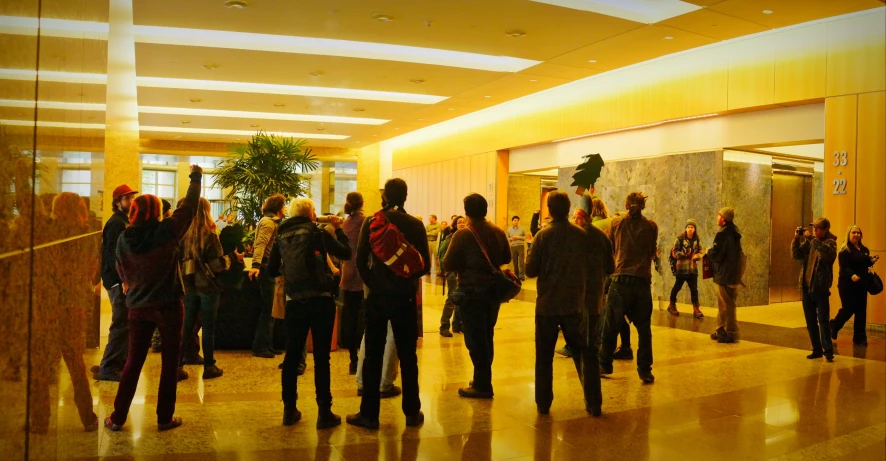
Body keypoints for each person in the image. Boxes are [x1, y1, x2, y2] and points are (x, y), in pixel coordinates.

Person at [105, 165, 203, 432]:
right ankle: (164, 418)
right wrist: (195, 178)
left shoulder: (124, 238)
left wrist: (130, 286)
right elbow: (190, 207)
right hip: (169, 305)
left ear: (133, 212)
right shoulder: (167, 231)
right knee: (170, 363)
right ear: (158, 213)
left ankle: (117, 418)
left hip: (137, 306)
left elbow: (120, 268)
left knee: (132, 362)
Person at [347, 178, 430, 429]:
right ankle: (412, 413)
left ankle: (369, 415)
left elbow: (360, 261)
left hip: (377, 299)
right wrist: (405, 282)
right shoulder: (416, 224)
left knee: (373, 353)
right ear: (405, 197)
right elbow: (423, 264)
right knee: (408, 355)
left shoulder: (373, 222)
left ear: (384, 197)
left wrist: (376, 285)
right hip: (404, 297)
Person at [265, 197, 351, 428]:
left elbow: (271, 269)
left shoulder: (281, 236)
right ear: (311, 213)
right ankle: (324, 412)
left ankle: (289, 410)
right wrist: (340, 230)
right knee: (322, 357)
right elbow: (346, 252)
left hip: (294, 302)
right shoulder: (318, 233)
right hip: (321, 301)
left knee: (292, 356)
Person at [525, 191, 598, 416]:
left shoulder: (542, 236)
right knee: (583, 353)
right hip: (574, 302)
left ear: (549, 209)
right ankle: (594, 402)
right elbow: (592, 267)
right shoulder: (582, 235)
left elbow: (530, 270)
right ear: (568, 209)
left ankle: (543, 403)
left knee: (544, 356)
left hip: (547, 303)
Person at [443, 194, 511, 399]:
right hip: (493, 293)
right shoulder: (498, 231)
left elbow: (448, 264)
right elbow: (506, 257)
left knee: (475, 339)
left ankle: (482, 385)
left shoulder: (463, 234)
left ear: (467, 211)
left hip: (472, 292)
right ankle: (482, 378)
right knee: (487, 335)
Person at [179, 197, 242, 380]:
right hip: (207, 286)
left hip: (189, 285)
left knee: (187, 326)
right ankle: (209, 366)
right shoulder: (209, 235)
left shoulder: (183, 234)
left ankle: (178, 364)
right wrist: (231, 257)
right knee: (208, 327)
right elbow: (217, 265)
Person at [599, 192, 658, 384]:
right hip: (642, 282)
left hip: (620, 281)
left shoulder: (616, 223)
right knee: (644, 329)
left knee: (610, 327)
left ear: (626, 204)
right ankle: (644, 370)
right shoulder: (651, 227)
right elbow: (651, 252)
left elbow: (610, 250)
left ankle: (605, 364)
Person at [571, 201, 614, 415]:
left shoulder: (573, 237)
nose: (575, 220)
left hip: (577, 301)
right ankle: (594, 401)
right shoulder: (602, 237)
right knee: (591, 349)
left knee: (582, 350)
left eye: (576, 217)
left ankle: (591, 398)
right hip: (596, 299)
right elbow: (611, 266)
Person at [94, 183, 138, 382]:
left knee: (124, 323)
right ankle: (109, 367)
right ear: (118, 202)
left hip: (118, 280)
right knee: (120, 324)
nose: (131, 201)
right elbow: (114, 255)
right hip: (117, 282)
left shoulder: (122, 221)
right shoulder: (116, 223)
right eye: (127, 198)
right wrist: (123, 280)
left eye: (132, 198)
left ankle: (113, 363)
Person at [792, 218, 837, 361]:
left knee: (823, 320)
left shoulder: (830, 243)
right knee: (810, 321)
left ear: (825, 230)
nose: (814, 230)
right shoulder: (810, 243)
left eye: (817, 228)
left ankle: (828, 351)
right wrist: (796, 239)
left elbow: (826, 254)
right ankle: (816, 349)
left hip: (820, 288)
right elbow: (796, 254)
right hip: (807, 287)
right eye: (814, 228)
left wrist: (812, 239)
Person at [248, 194, 287, 358]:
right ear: (278, 207)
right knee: (268, 309)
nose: (286, 209)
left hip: (267, 268)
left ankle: (267, 344)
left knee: (270, 309)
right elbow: (261, 244)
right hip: (265, 269)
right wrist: (256, 265)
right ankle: (260, 346)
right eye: (284, 205)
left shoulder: (271, 222)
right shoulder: (268, 222)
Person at [831, 225, 878, 346]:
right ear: (849, 235)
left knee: (861, 311)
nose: (856, 234)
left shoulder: (864, 250)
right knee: (848, 309)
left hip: (862, 284)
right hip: (847, 285)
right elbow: (844, 267)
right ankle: (834, 326)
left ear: (861, 235)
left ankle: (860, 338)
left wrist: (870, 261)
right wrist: (852, 275)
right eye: (854, 232)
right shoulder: (845, 250)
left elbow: (864, 264)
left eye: (858, 233)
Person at [340, 192, 368, 375]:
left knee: (349, 316)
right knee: (364, 317)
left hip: (347, 272)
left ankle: (352, 358)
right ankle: (364, 356)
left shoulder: (345, 222)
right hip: (362, 273)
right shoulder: (365, 221)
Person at [707, 207, 743, 344]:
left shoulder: (722, 234)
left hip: (724, 275)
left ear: (723, 219)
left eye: (718, 216)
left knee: (727, 305)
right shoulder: (735, 232)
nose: (716, 218)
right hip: (733, 274)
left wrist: (708, 251)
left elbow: (717, 255)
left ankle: (730, 332)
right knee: (725, 303)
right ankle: (720, 329)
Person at [668, 219, 704, 318]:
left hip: (692, 269)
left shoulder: (697, 240)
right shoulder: (680, 239)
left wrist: (697, 256)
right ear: (685, 228)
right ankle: (671, 305)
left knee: (694, 289)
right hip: (681, 269)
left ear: (695, 229)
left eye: (692, 227)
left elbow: (701, 252)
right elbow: (674, 252)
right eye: (688, 227)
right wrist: (684, 254)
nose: (690, 229)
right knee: (677, 287)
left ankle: (696, 308)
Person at [439, 216, 466, 336]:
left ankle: (457, 325)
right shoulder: (450, 238)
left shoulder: (467, 237)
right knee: (451, 299)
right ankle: (444, 326)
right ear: (455, 225)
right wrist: (445, 270)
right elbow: (442, 254)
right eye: (459, 222)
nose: (462, 224)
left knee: (462, 299)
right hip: (453, 273)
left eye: (464, 222)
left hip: (464, 273)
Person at [507, 216, 527, 281]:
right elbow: (507, 238)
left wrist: (519, 237)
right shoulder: (509, 229)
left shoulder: (522, 229)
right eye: (514, 220)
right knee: (515, 262)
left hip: (520, 246)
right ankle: (516, 276)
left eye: (517, 220)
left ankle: (522, 276)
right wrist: (511, 239)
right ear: (512, 221)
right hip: (513, 246)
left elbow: (525, 236)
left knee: (521, 262)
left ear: (518, 221)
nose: (516, 222)